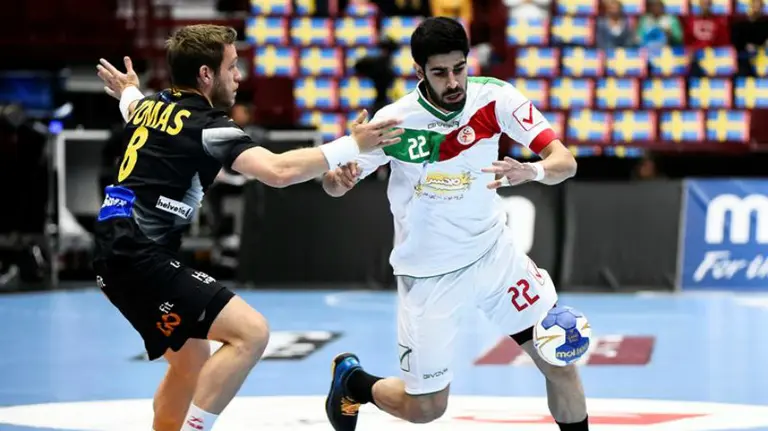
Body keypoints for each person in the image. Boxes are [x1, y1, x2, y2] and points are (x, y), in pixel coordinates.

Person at [94, 24, 403, 431]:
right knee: (251, 333)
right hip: (137, 253)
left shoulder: (153, 104)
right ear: (206, 75)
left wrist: (129, 90)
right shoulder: (208, 125)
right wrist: (352, 145)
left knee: (191, 360)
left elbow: (133, 106)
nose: (239, 76)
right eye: (232, 66)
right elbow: (277, 171)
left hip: (117, 247)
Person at [322, 17, 588, 431]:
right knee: (426, 409)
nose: (453, 82)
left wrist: (531, 172)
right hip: (430, 274)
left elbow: (564, 162)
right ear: (419, 73)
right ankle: (353, 382)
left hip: (495, 256)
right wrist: (336, 180)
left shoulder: (495, 98)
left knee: (561, 362)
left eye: (459, 68)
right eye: (440, 72)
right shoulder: (394, 120)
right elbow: (334, 183)